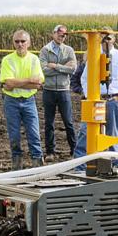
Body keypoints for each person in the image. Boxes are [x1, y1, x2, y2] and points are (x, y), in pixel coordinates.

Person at [74, 29, 118, 160]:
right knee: (86, 132)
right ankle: (80, 165)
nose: (106, 40)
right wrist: (89, 95)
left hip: (113, 101)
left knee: (112, 135)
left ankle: (114, 164)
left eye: (109, 37)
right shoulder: (93, 56)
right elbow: (85, 78)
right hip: (96, 101)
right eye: (103, 37)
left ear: (114, 39)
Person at [0, 29, 45, 170]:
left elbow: (38, 84)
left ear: (29, 43)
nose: (20, 44)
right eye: (17, 41)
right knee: (14, 134)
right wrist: (29, 81)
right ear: (13, 43)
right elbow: (8, 83)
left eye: (23, 41)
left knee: (34, 133)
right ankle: (17, 165)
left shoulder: (34, 59)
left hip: (28, 100)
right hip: (11, 101)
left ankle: (37, 164)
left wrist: (16, 83)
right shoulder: (7, 60)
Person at [39, 24, 78, 161]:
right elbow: (43, 70)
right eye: (60, 34)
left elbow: (73, 69)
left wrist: (55, 66)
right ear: (53, 34)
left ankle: (74, 150)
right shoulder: (45, 50)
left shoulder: (69, 50)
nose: (63, 37)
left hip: (63, 91)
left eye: (65, 35)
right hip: (49, 91)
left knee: (68, 122)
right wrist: (63, 67)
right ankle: (50, 152)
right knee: (49, 123)